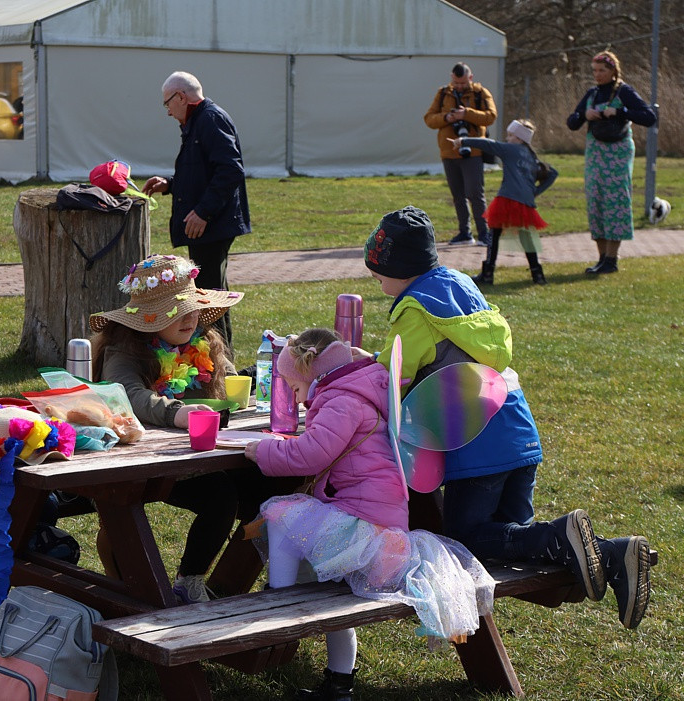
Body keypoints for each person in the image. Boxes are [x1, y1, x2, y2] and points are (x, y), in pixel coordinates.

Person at [357, 205, 652, 630]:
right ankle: (613, 552)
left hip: (479, 447)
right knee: (514, 539)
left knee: (466, 539)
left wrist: (356, 369)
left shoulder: (415, 311)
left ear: (397, 268)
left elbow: (391, 378)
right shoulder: (461, 285)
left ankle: (562, 533)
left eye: (377, 270)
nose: (375, 278)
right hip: (519, 432)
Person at [243, 329, 495, 701]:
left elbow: (310, 456)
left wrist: (260, 451)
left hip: (368, 534)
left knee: (280, 514)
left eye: (295, 389)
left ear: (311, 373)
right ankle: (339, 686)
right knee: (330, 593)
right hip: (382, 532)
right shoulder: (361, 390)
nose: (295, 401)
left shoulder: (341, 402)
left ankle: (280, 597)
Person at [90, 254, 258, 604]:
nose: (191, 317)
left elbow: (229, 382)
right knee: (221, 495)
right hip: (147, 462)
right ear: (147, 318)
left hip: (206, 452)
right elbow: (127, 395)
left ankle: (217, 582)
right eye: (177, 310)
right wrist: (178, 414)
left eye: (194, 307)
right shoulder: (124, 349)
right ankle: (179, 583)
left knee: (266, 487)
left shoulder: (203, 341)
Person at [142, 71, 250, 351]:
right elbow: (201, 174)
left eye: (167, 103)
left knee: (209, 298)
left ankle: (220, 364)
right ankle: (220, 361)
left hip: (212, 225)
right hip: (207, 224)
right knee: (210, 294)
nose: (167, 111)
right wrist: (170, 185)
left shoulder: (210, 119)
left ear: (181, 97)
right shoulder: (199, 121)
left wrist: (203, 213)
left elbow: (230, 170)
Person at [566, 50, 656, 275]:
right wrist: (585, 115)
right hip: (595, 152)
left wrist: (619, 111)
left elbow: (649, 116)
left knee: (615, 201)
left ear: (613, 70)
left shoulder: (624, 91)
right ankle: (601, 258)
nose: (597, 75)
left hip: (618, 153)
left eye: (602, 70)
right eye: (594, 71)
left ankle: (612, 259)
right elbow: (572, 122)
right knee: (595, 199)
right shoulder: (592, 94)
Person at [449, 119, 558, 285]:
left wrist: (463, 141)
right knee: (526, 236)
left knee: (494, 233)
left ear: (520, 138)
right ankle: (538, 275)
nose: (507, 138)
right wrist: (534, 192)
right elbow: (553, 174)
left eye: (511, 135)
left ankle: (488, 274)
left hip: (507, 198)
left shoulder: (511, 149)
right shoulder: (531, 156)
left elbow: (489, 144)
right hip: (525, 202)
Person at [423, 62, 497, 247]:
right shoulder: (443, 93)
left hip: (473, 151)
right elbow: (429, 119)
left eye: (463, 83)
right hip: (449, 151)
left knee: (475, 193)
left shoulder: (481, 93)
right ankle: (465, 233)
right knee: (458, 195)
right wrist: (447, 118)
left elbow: (491, 116)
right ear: (451, 78)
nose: (459, 86)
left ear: (470, 78)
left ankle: (484, 233)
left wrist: (467, 114)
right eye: (456, 83)